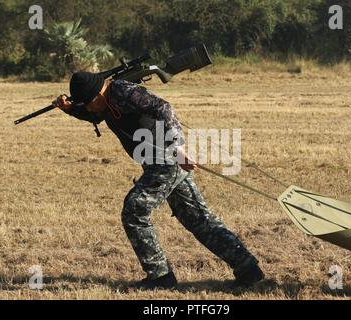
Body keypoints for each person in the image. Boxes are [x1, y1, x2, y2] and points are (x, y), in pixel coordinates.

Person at [52, 71, 264, 290]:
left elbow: (163, 107)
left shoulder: (124, 91)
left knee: (134, 211)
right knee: (199, 219)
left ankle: (160, 277)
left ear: (97, 95)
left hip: (166, 159)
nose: (87, 108)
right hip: (157, 161)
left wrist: (178, 146)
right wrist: (71, 110)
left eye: (87, 104)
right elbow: (96, 115)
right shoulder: (104, 101)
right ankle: (248, 269)